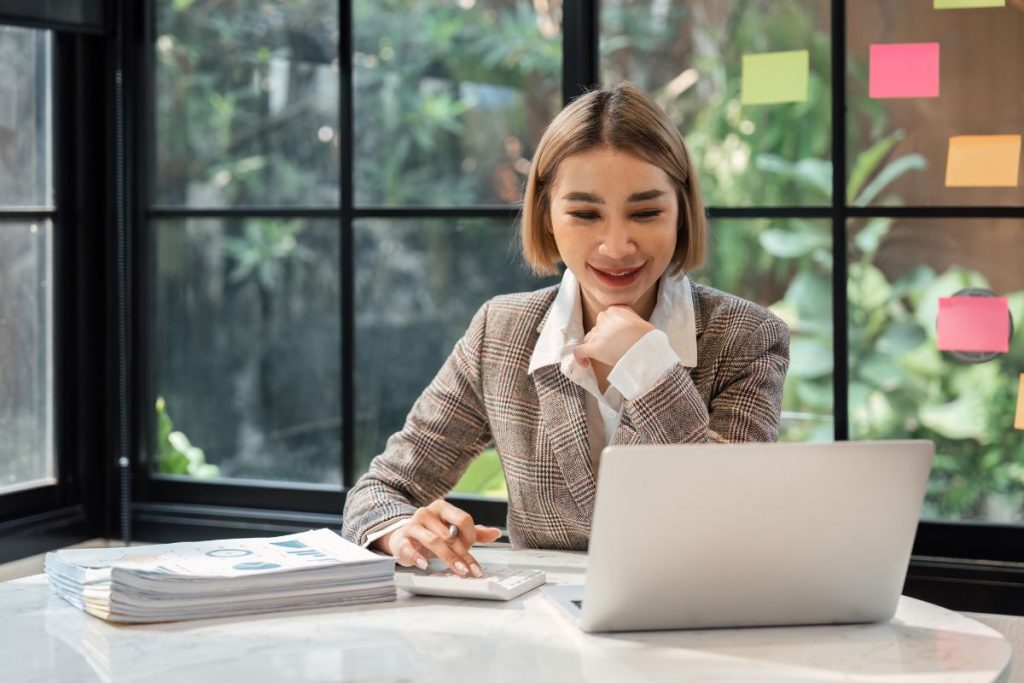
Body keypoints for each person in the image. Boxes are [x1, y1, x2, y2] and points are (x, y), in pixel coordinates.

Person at [341, 82, 790, 578]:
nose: (617, 246)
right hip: (540, 632)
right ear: (547, 216)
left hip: (691, 622)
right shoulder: (502, 332)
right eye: (584, 214)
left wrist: (649, 368)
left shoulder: (746, 335)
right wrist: (402, 530)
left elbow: (740, 514)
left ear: (681, 213)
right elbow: (380, 491)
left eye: (645, 212)